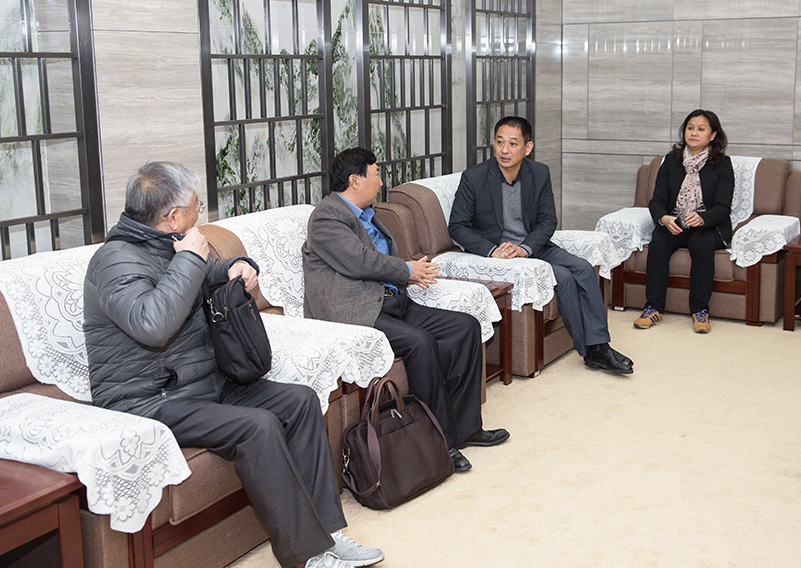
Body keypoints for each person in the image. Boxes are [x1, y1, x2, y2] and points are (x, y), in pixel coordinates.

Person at [83, 162, 383, 568]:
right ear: (172, 217)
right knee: (257, 425)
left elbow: (204, 273)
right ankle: (308, 556)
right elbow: (153, 324)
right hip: (149, 399)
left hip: (200, 384)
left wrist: (235, 265)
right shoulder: (114, 262)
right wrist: (191, 259)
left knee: (299, 401)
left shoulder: (166, 242)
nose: (199, 213)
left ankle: (327, 534)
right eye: (195, 206)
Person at [302, 147, 510, 474]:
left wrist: (411, 272)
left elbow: (380, 259)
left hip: (392, 301)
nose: (381, 182)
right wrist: (407, 270)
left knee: (465, 327)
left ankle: (467, 428)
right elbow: (359, 261)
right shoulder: (326, 218)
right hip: (357, 312)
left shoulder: (368, 214)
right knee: (420, 343)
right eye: (375, 175)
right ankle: (440, 443)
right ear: (355, 181)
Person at [448, 116, 634, 374]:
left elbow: (548, 221)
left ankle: (599, 346)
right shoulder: (474, 178)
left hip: (533, 246)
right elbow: (457, 226)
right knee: (563, 277)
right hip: (500, 254)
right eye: (500, 142)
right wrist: (492, 251)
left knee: (582, 267)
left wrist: (526, 248)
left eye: (513, 143)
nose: (504, 150)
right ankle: (593, 351)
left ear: (528, 147)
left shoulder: (539, 173)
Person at [633, 109, 734, 333]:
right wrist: (664, 218)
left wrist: (702, 217)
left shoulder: (722, 164)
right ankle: (653, 308)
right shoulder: (671, 161)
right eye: (690, 128)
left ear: (713, 135)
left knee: (700, 243)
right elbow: (657, 200)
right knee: (659, 242)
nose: (694, 133)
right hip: (676, 221)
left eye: (701, 129)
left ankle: (700, 311)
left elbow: (723, 207)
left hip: (709, 225)